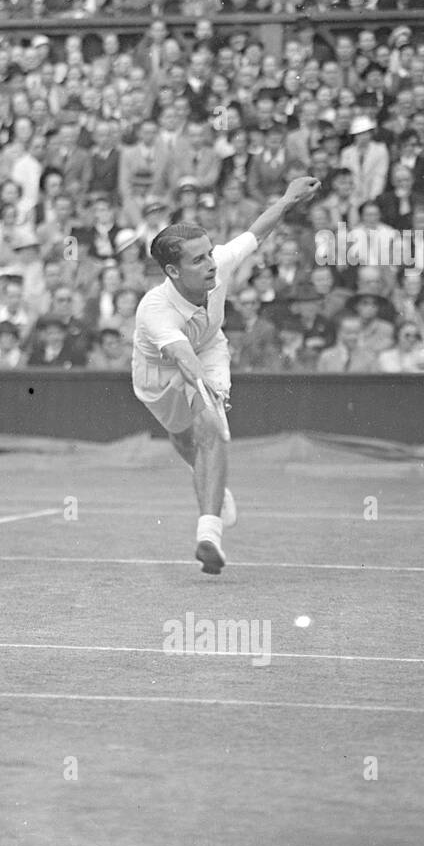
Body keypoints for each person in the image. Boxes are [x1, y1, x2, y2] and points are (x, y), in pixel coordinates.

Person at [132, 174, 320, 574]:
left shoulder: (219, 265)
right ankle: (213, 483)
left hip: (210, 351)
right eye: (198, 260)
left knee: (211, 433)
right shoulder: (155, 310)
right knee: (185, 440)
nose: (211, 264)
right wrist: (201, 384)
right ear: (172, 271)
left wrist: (288, 198)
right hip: (158, 375)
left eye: (209, 254)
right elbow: (182, 358)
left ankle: (208, 535)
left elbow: (256, 232)